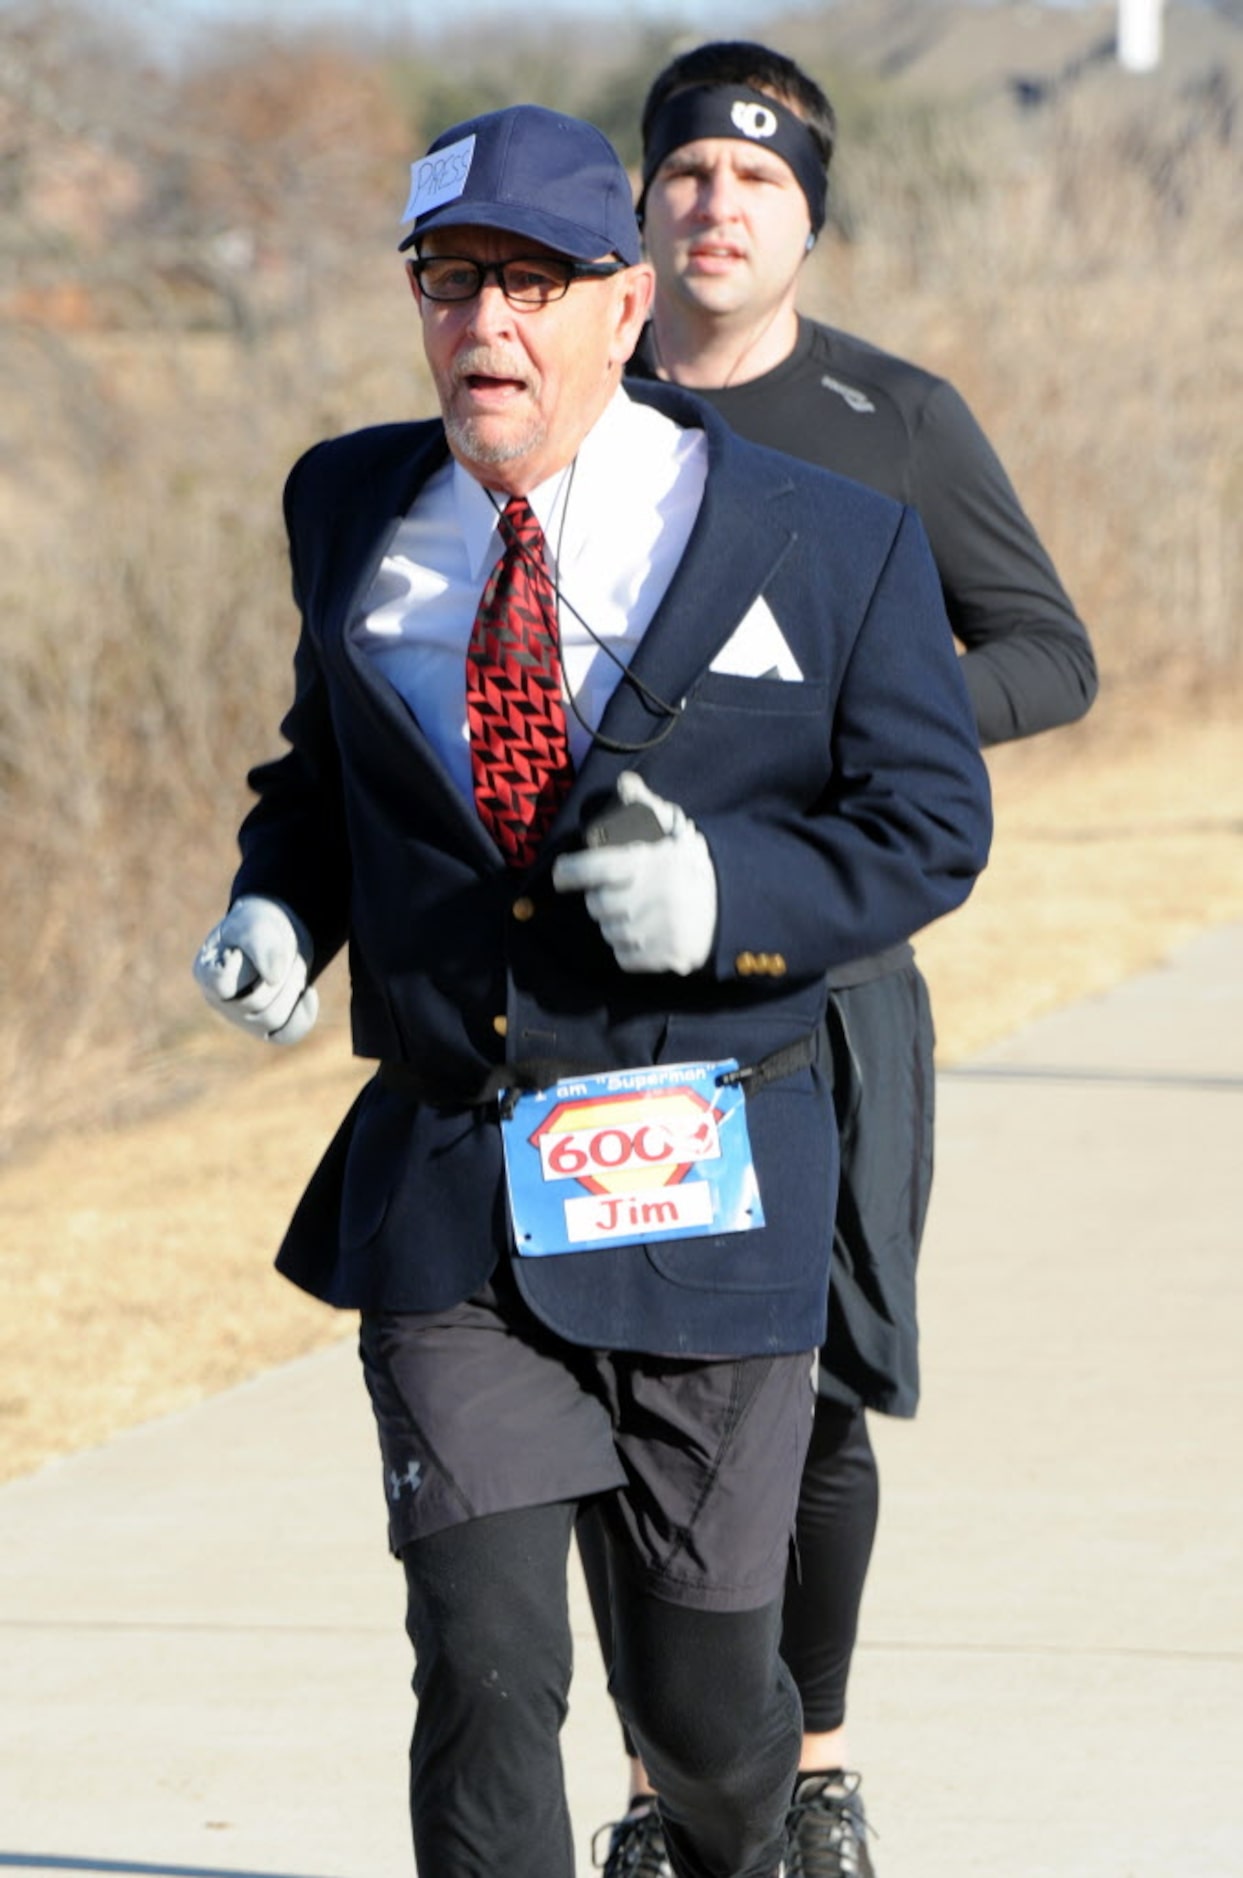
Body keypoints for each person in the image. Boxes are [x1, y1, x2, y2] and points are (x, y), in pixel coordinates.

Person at [191, 101, 992, 1878]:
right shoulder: (350, 506)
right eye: (452, 280)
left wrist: (730, 894)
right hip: (453, 1184)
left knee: (709, 1725)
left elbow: (935, 825)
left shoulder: (827, 535)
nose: (487, 323)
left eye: (534, 281)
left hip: (702, 1192)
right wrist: (274, 902)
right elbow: (326, 776)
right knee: (482, 1661)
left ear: (624, 307)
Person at [577, 41, 1098, 1878]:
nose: (721, 206)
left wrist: (864, 708)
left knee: (815, 1391)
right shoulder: (572, 394)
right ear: (638, 210)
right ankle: (658, 1792)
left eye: (762, 180)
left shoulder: (897, 418)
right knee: (617, 1392)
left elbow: (1052, 651)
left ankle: (811, 1769)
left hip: (837, 992)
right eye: (690, 175)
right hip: (606, 1011)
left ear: (813, 219)